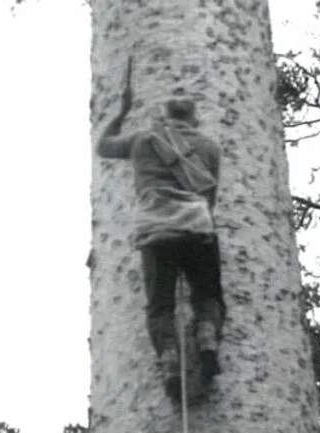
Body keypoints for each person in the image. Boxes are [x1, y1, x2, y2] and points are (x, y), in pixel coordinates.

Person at [95, 57, 226, 403]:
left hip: (155, 231)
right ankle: (208, 335)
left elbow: (103, 146)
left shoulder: (141, 140)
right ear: (194, 118)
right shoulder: (210, 146)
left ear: (166, 118)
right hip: (197, 228)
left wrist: (122, 112)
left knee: (160, 306)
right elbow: (210, 194)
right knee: (208, 293)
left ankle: (169, 358)